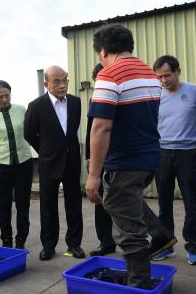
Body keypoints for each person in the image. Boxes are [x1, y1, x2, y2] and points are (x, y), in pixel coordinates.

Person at [85, 23, 176, 289]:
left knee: (127, 228)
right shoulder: (149, 72)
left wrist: (93, 176)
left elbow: (101, 127)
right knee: (126, 207)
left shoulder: (110, 74)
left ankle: (140, 284)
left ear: (102, 50)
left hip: (126, 160)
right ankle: (159, 237)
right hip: (149, 157)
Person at [24, 65, 85, 261]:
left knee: (74, 204)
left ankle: (74, 244)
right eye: (57, 81)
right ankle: (48, 246)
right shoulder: (37, 105)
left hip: (72, 161)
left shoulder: (75, 102)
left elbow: (71, 131)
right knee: (48, 205)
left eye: (65, 80)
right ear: (46, 83)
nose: (62, 85)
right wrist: (45, 151)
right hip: (49, 162)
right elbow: (29, 133)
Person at [152, 55, 196, 263]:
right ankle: (166, 246)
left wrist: (189, 141)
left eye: (167, 75)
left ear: (178, 72)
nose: (164, 80)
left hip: (187, 154)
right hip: (162, 154)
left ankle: (193, 247)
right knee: (164, 204)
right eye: (160, 77)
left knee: (190, 202)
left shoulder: (194, 92)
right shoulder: (156, 95)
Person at [0, 80, 33, 249]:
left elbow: (31, 131)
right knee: (3, 205)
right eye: (0, 96)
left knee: (23, 203)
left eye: (7, 95)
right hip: (1, 165)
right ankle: (6, 239)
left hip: (23, 162)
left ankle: (21, 240)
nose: (4, 99)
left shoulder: (21, 110)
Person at [86, 63, 116, 257]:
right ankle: (106, 242)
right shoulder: (95, 99)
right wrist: (90, 158)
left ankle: (135, 242)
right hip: (101, 158)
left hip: (121, 157)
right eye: (97, 78)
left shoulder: (121, 96)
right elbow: (92, 130)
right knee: (100, 202)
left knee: (126, 202)